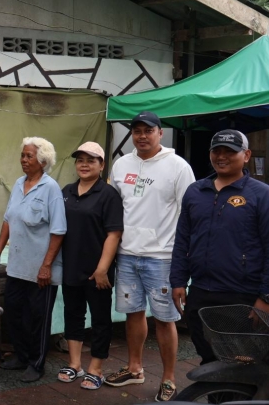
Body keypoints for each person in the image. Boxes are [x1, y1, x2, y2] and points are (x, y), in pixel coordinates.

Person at [106, 111, 195, 401]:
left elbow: (189, 213)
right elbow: (112, 206)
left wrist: (184, 257)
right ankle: (134, 368)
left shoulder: (178, 166)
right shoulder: (121, 164)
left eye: (148, 130)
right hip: (127, 254)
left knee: (165, 319)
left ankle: (169, 378)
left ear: (160, 133)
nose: (142, 136)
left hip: (162, 256)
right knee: (132, 313)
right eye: (137, 131)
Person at [171, 129, 269, 365]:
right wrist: (178, 281)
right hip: (200, 291)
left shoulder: (261, 194)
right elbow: (182, 239)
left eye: (230, 151)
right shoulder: (195, 191)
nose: (222, 156)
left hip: (242, 295)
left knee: (243, 362)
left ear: (246, 155)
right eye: (216, 151)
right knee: (207, 355)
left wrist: (265, 297)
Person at [0, 137, 66, 383]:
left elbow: (58, 231)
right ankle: (21, 355)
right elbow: (8, 219)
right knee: (14, 312)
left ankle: (36, 363)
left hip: (40, 269)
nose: (23, 160)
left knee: (38, 317)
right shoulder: (19, 184)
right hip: (17, 265)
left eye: (29, 156)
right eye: (22, 155)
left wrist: (46, 266)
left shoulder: (51, 189)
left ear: (43, 161)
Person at [57, 142, 123, 390]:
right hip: (71, 265)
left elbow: (114, 234)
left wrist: (102, 269)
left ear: (102, 165)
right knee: (73, 314)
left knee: (100, 319)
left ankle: (96, 368)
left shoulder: (108, 195)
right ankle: (75, 364)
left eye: (91, 160)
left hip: (98, 270)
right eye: (80, 160)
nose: (84, 165)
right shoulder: (66, 191)